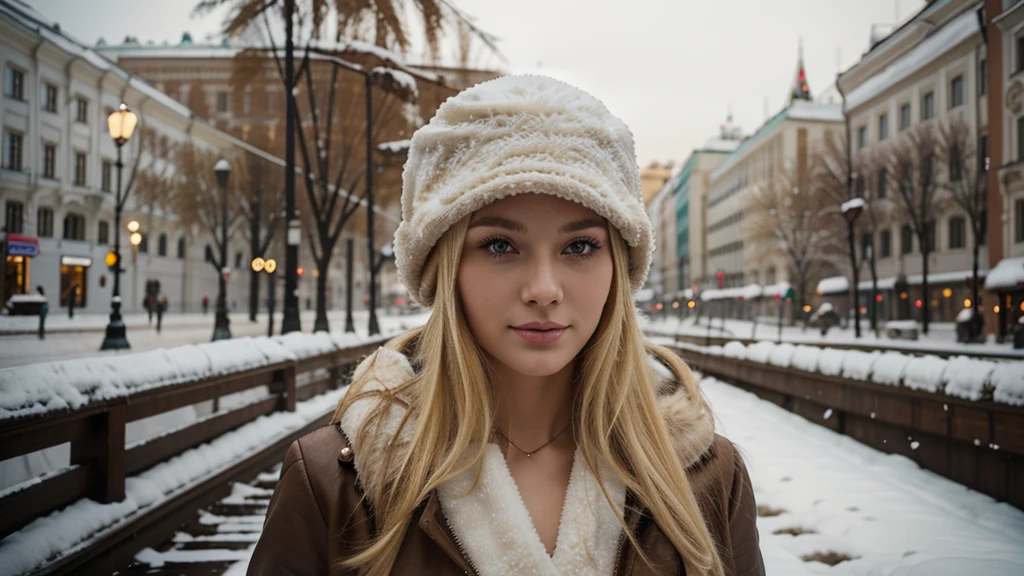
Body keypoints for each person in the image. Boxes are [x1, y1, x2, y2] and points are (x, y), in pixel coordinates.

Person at [247, 76, 764, 576]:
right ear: (444, 270)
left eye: (580, 246)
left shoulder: (709, 478)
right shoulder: (331, 485)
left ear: (619, 267)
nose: (543, 288)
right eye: (500, 245)